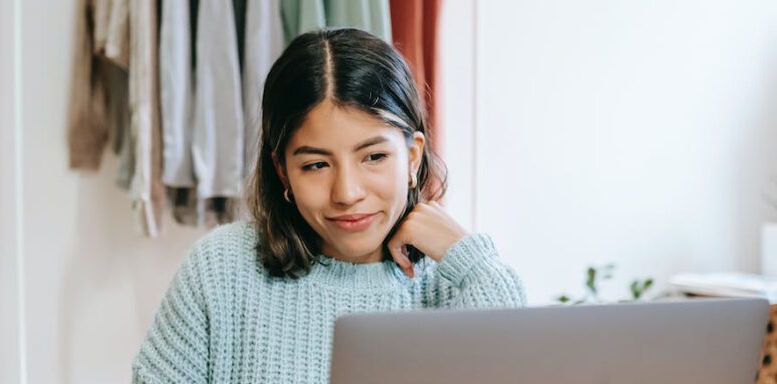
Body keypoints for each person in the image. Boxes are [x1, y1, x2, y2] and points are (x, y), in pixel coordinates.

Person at [131, 28, 526, 384]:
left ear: (412, 157)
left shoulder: (452, 283)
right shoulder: (220, 269)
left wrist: (476, 264)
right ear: (283, 173)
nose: (347, 192)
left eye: (373, 157)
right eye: (316, 165)